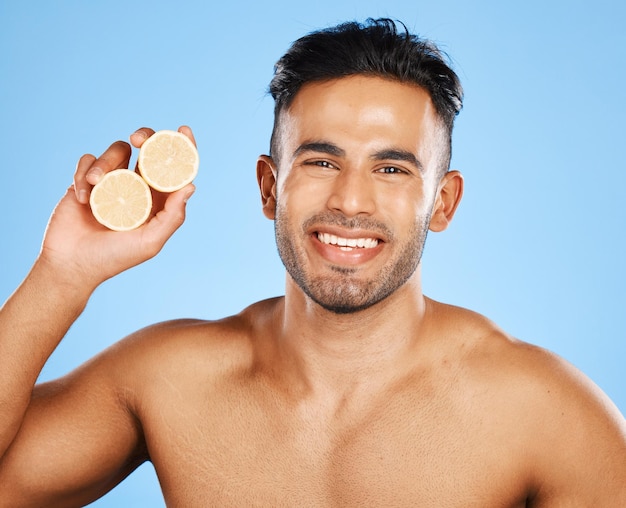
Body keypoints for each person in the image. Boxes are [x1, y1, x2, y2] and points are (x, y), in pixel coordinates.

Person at [0, 18, 624, 507]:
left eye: (392, 169)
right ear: (269, 188)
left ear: (444, 200)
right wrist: (64, 273)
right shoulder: (169, 381)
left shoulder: (547, 415)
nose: (350, 201)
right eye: (321, 162)